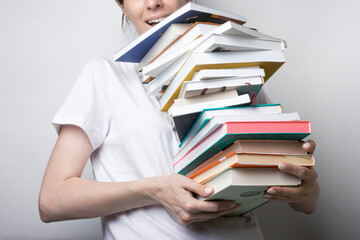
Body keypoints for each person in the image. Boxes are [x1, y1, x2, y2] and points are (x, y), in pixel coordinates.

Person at [38, 0, 320, 239]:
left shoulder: (236, 72)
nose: (153, 3)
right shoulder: (104, 76)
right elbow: (52, 201)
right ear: (121, 6)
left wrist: (304, 188)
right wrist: (156, 190)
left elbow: (306, 205)